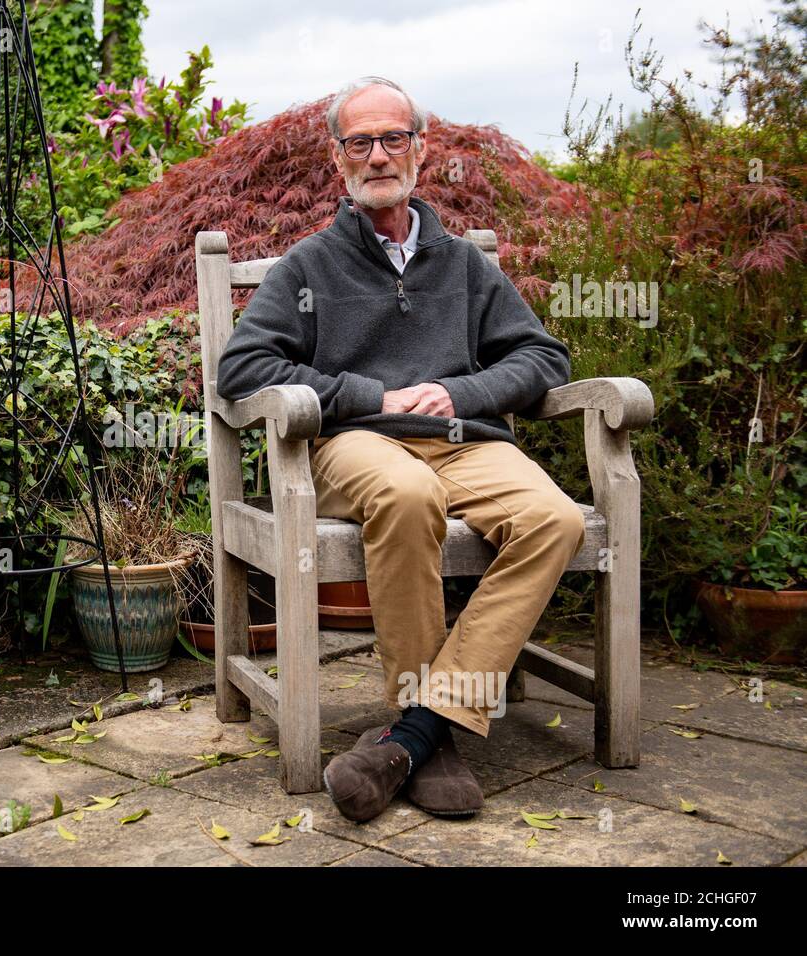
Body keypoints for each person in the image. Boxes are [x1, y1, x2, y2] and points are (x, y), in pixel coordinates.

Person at [215, 76, 586, 823]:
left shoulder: (464, 264)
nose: (378, 155)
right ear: (338, 158)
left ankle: (419, 731)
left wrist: (462, 395)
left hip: (462, 438)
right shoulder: (307, 267)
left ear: (421, 147)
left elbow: (544, 359)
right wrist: (370, 397)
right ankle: (431, 735)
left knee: (557, 519)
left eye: (393, 138)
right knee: (408, 496)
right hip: (357, 443)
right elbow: (242, 370)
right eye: (361, 142)